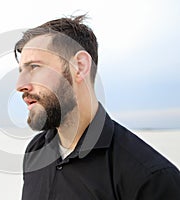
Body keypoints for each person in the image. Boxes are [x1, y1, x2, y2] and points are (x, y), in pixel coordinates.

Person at [14, 14, 180, 200]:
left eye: (34, 67)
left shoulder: (150, 178)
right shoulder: (36, 151)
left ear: (79, 66)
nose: (20, 85)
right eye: (21, 71)